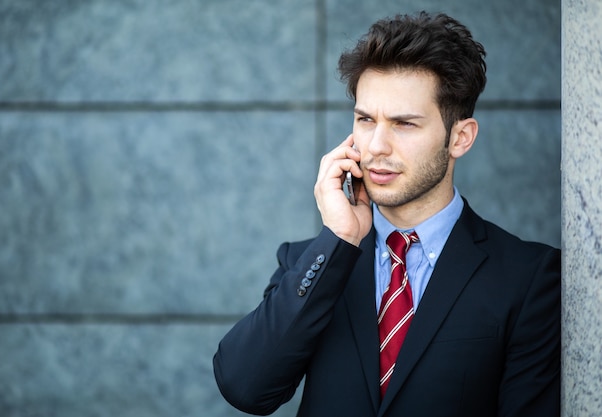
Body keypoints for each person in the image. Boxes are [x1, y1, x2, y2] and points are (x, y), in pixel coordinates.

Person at [213, 11, 560, 417]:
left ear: (460, 138)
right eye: (365, 120)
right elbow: (245, 388)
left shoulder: (528, 277)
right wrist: (338, 240)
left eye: (404, 124)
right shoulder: (312, 261)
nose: (376, 145)